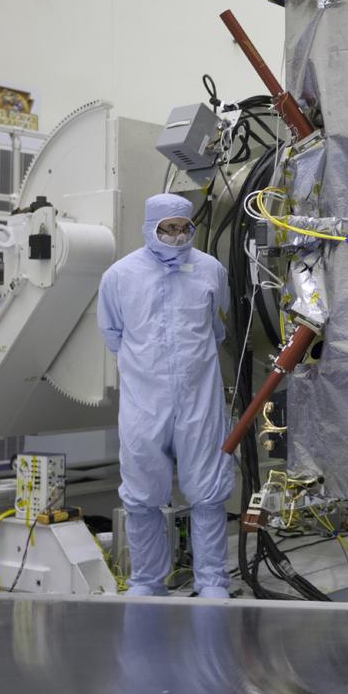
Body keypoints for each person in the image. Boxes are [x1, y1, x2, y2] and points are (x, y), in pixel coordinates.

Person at [98, 194, 233, 599]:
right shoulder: (120, 276)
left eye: (183, 228)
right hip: (145, 400)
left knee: (208, 490)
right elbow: (112, 334)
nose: (176, 236)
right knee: (142, 494)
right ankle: (147, 580)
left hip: (199, 399)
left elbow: (218, 328)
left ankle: (212, 581)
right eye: (167, 229)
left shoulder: (211, 270)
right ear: (149, 227)